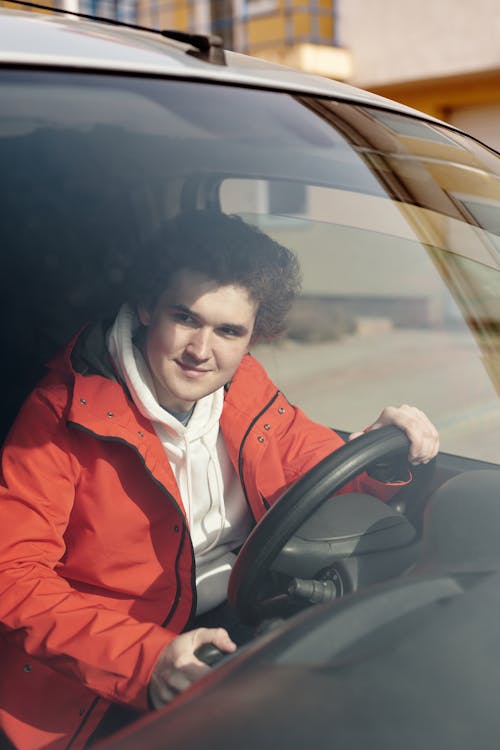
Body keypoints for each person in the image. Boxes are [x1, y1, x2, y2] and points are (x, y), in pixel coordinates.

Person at [0, 211, 439, 749]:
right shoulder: (60, 415)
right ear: (145, 308)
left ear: (255, 336)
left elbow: (318, 475)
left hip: (241, 619)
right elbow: (13, 577)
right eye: (186, 318)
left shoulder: (246, 384)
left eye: (229, 331)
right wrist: (150, 660)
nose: (201, 351)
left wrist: (382, 456)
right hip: (101, 673)